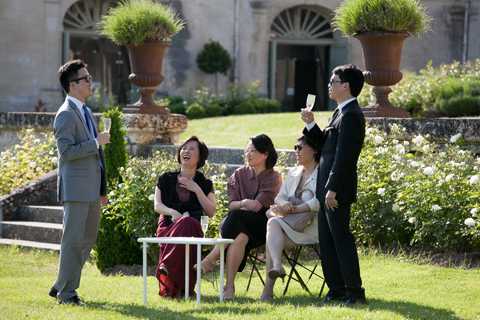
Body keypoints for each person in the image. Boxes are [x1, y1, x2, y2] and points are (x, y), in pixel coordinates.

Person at [301, 64, 366, 305]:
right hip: (326, 186)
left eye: (333, 81)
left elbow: (345, 157)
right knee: (327, 241)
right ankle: (337, 289)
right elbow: (325, 147)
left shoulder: (351, 115)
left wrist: (332, 188)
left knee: (341, 239)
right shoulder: (339, 112)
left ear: (346, 86)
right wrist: (310, 124)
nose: (329, 85)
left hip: (336, 189)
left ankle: (355, 292)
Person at [50, 59, 110, 305]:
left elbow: (96, 158)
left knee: (86, 240)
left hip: (91, 190)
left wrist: (102, 188)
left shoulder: (85, 111)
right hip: (75, 190)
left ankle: (61, 285)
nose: (90, 81)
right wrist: (96, 142)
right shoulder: (65, 114)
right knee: (73, 241)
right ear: (73, 85)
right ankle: (67, 294)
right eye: (85, 78)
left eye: (89, 77)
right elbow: (66, 152)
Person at [199, 134, 282, 300]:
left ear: (265, 154)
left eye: (252, 151)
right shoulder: (239, 174)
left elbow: (257, 206)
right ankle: (229, 287)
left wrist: (240, 204)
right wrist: (244, 202)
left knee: (237, 217)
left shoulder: (274, 177)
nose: (248, 154)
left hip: (263, 226)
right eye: (247, 151)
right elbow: (232, 204)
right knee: (240, 236)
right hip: (238, 226)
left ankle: (212, 257)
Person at [260, 135, 321, 301]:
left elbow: (319, 202)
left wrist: (294, 209)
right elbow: (279, 197)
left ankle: (269, 289)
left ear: (314, 150)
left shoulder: (322, 172)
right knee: (273, 228)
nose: (297, 151)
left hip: (310, 228)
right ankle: (276, 270)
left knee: (272, 234)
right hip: (288, 225)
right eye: (295, 147)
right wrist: (285, 205)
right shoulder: (294, 172)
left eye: (300, 147)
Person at [154, 136, 216, 298]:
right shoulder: (166, 179)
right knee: (185, 221)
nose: (186, 151)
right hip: (168, 227)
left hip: (193, 229)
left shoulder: (204, 183)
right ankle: (178, 286)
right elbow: (157, 205)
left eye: (191, 149)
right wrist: (173, 213)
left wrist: (196, 189)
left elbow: (211, 211)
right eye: (184, 148)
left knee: (188, 222)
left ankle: (167, 265)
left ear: (200, 157)